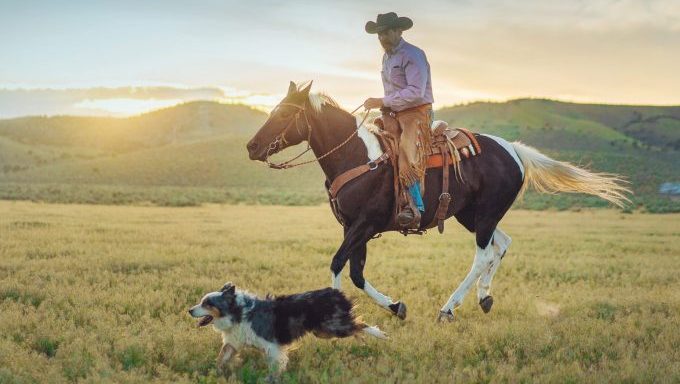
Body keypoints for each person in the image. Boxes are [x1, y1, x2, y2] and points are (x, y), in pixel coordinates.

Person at [363, 12, 434, 229]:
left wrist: (382, 100)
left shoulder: (412, 55)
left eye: (386, 32)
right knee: (375, 143)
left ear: (398, 31)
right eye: (379, 34)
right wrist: (384, 106)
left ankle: (415, 207)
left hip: (417, 113)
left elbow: (415, 91)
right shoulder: (387, 57)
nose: (382, 37)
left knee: (405, 150)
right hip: (394, 113)